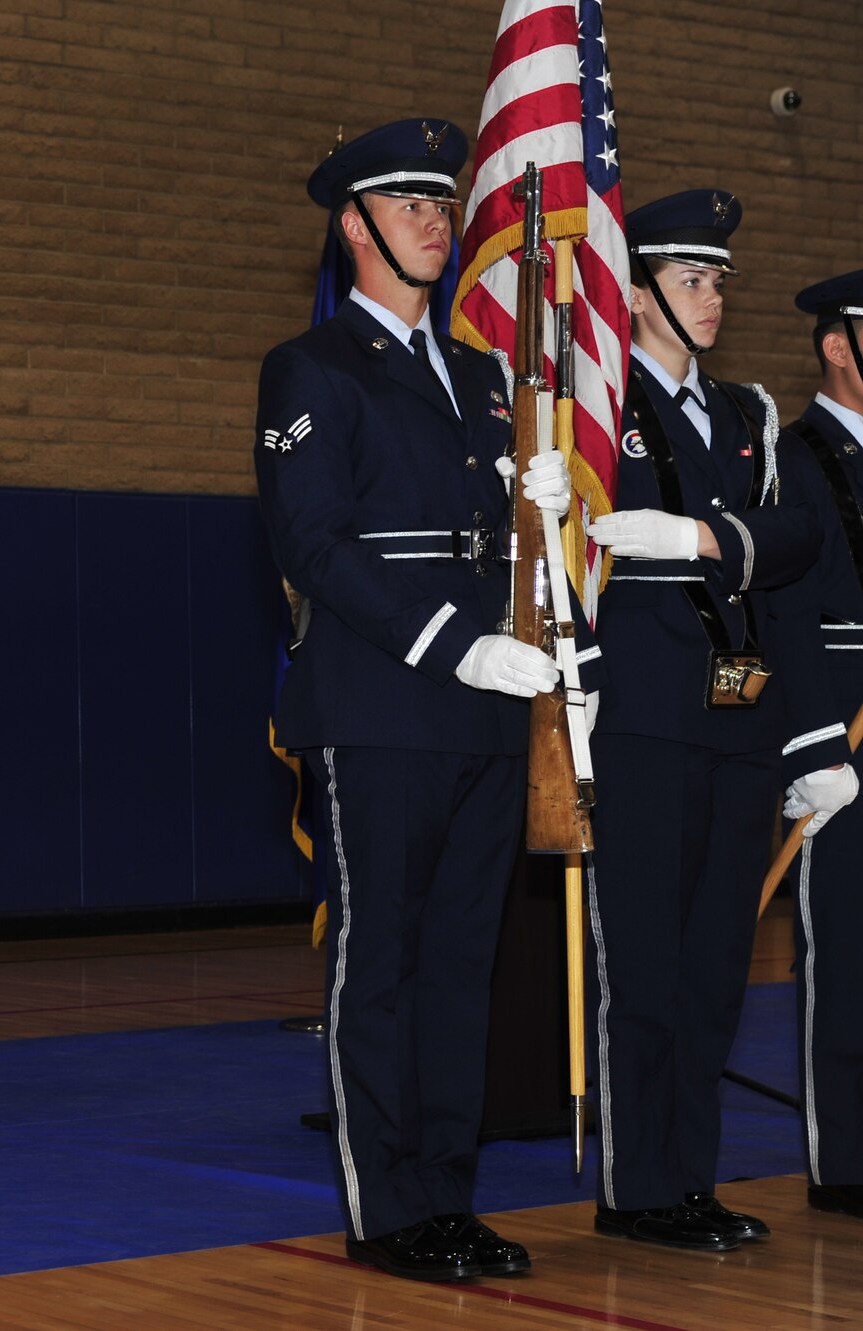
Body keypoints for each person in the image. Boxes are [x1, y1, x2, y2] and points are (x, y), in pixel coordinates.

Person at [255, 119, 584, 1282]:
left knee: (459, 967)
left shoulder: (483, 374)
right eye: (404, 203)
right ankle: (384, 1206)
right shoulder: (312, 367)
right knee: (380, 962)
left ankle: (446, 1194)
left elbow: (487, 541)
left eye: (439, 203)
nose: (432, 221)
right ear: (351, 224)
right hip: (381, 707)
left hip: (486, 711)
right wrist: (455, 643)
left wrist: (534, 512)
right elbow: (314, 545)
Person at [579, 193, 843, 1248]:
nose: (711, 298)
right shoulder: (593, 411)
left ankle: (687, 1176)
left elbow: (790, 559)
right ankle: (634, 1184)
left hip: (737, 723)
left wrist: (809, 733)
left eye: (718, 280)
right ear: (636, 293)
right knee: (641, 965)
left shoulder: (745, 416)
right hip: (638, 715)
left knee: (712, 966)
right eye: (689, 280)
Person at [759, 269, 863, 1219]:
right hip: (845, 721)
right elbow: (786, 609)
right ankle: (849, 1163)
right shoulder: (793, 456)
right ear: (841, 346)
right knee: (848, 945)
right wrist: (817, 745)